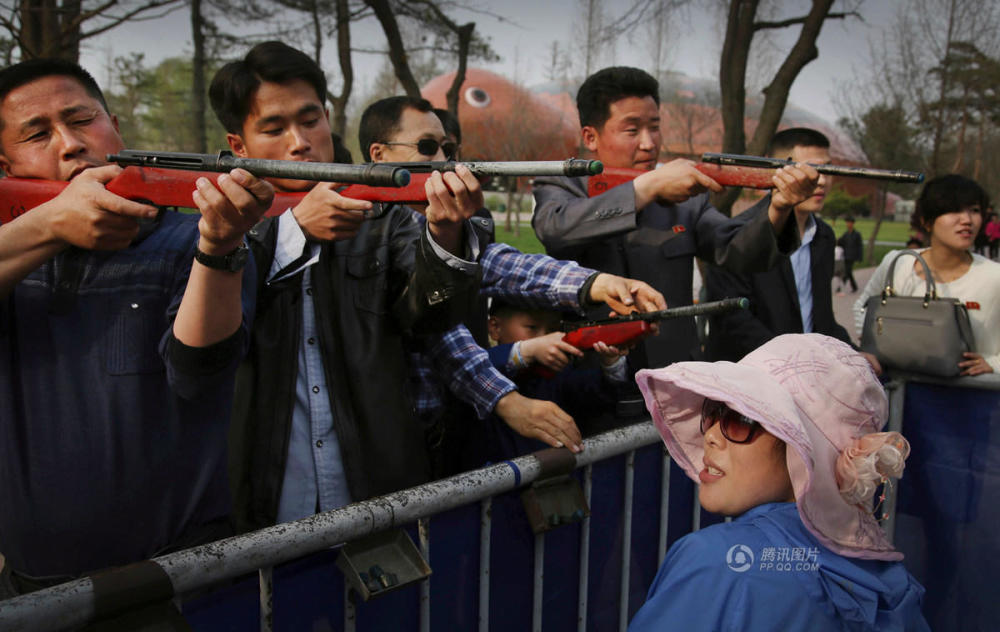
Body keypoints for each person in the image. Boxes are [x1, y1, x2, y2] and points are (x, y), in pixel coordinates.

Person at [211, 43, 664, 530]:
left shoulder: (383, 221)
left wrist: (589, 283)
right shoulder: (220, 228)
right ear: (239, 145)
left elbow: (475, 279)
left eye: (311, 120)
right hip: (262, 496)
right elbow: (200, 350)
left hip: (382, 479)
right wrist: (294, 229)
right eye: (275, 129)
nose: (299, 142)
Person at [0, 59, 271, 590]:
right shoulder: (16, 250)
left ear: (115, 126)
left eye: (82, 120)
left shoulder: (187, 235)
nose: (70, 143)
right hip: (30, 585)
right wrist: (50, 223)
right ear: (5, 165)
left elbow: (200, 371)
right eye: (37, 134)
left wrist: (217, 248)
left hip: (181, 576)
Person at [599, 334, 945, 632]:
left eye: (741, 419)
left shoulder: (717, 564)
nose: (711, 436)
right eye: (712, 412)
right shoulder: (900, 596)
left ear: (802, 449)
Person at [532, 66, 822, 369]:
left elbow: (736, 250)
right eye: (632, 131)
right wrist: (647, 187)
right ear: (590, 137)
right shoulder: (562, 184)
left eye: (654, 127)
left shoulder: (686, 199)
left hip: (674, 372)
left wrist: (779, 207)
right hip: (591, 374)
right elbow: (555, 229)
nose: (648, 143)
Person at [702, 128, 874, 370]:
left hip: (806, 376)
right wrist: (792, 364)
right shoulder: (738, 237)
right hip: (750, 377)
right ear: (776, 172)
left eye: (828, 169)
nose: (821, 180)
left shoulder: (823, 236)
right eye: (810, 169)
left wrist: (853, 354)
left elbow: (821, 319)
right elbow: (733, 322)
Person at [852, 175, 1000, 376]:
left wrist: (993, 363)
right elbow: (862, 307)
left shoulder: (993, 276)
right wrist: (873, 346)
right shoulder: (898, 264)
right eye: (954, 210)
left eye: (974, 210)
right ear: (926, 221)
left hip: (970, 396)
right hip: (898, 391)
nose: (966, 220)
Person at [466, 300, 629, 463]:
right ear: (495, 327)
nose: (545, 338)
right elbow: (474, 367)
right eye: (532, 327)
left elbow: (598, 391)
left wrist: (611, 362)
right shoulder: (475, 372)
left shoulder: (557, 375)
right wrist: (527, 350)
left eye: (552, 330)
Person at [837, 214, 862, 292]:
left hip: (853, 256)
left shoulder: (857, 234)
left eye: (849, 222)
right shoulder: (846, 234)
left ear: (852, 223)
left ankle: (841, 286)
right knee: (848, 272)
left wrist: (860, 257)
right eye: (847, 222)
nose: (848, 224)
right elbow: (841, 243)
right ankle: (854, 287)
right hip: (846, 255)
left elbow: (859, 246)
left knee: (847, 271)